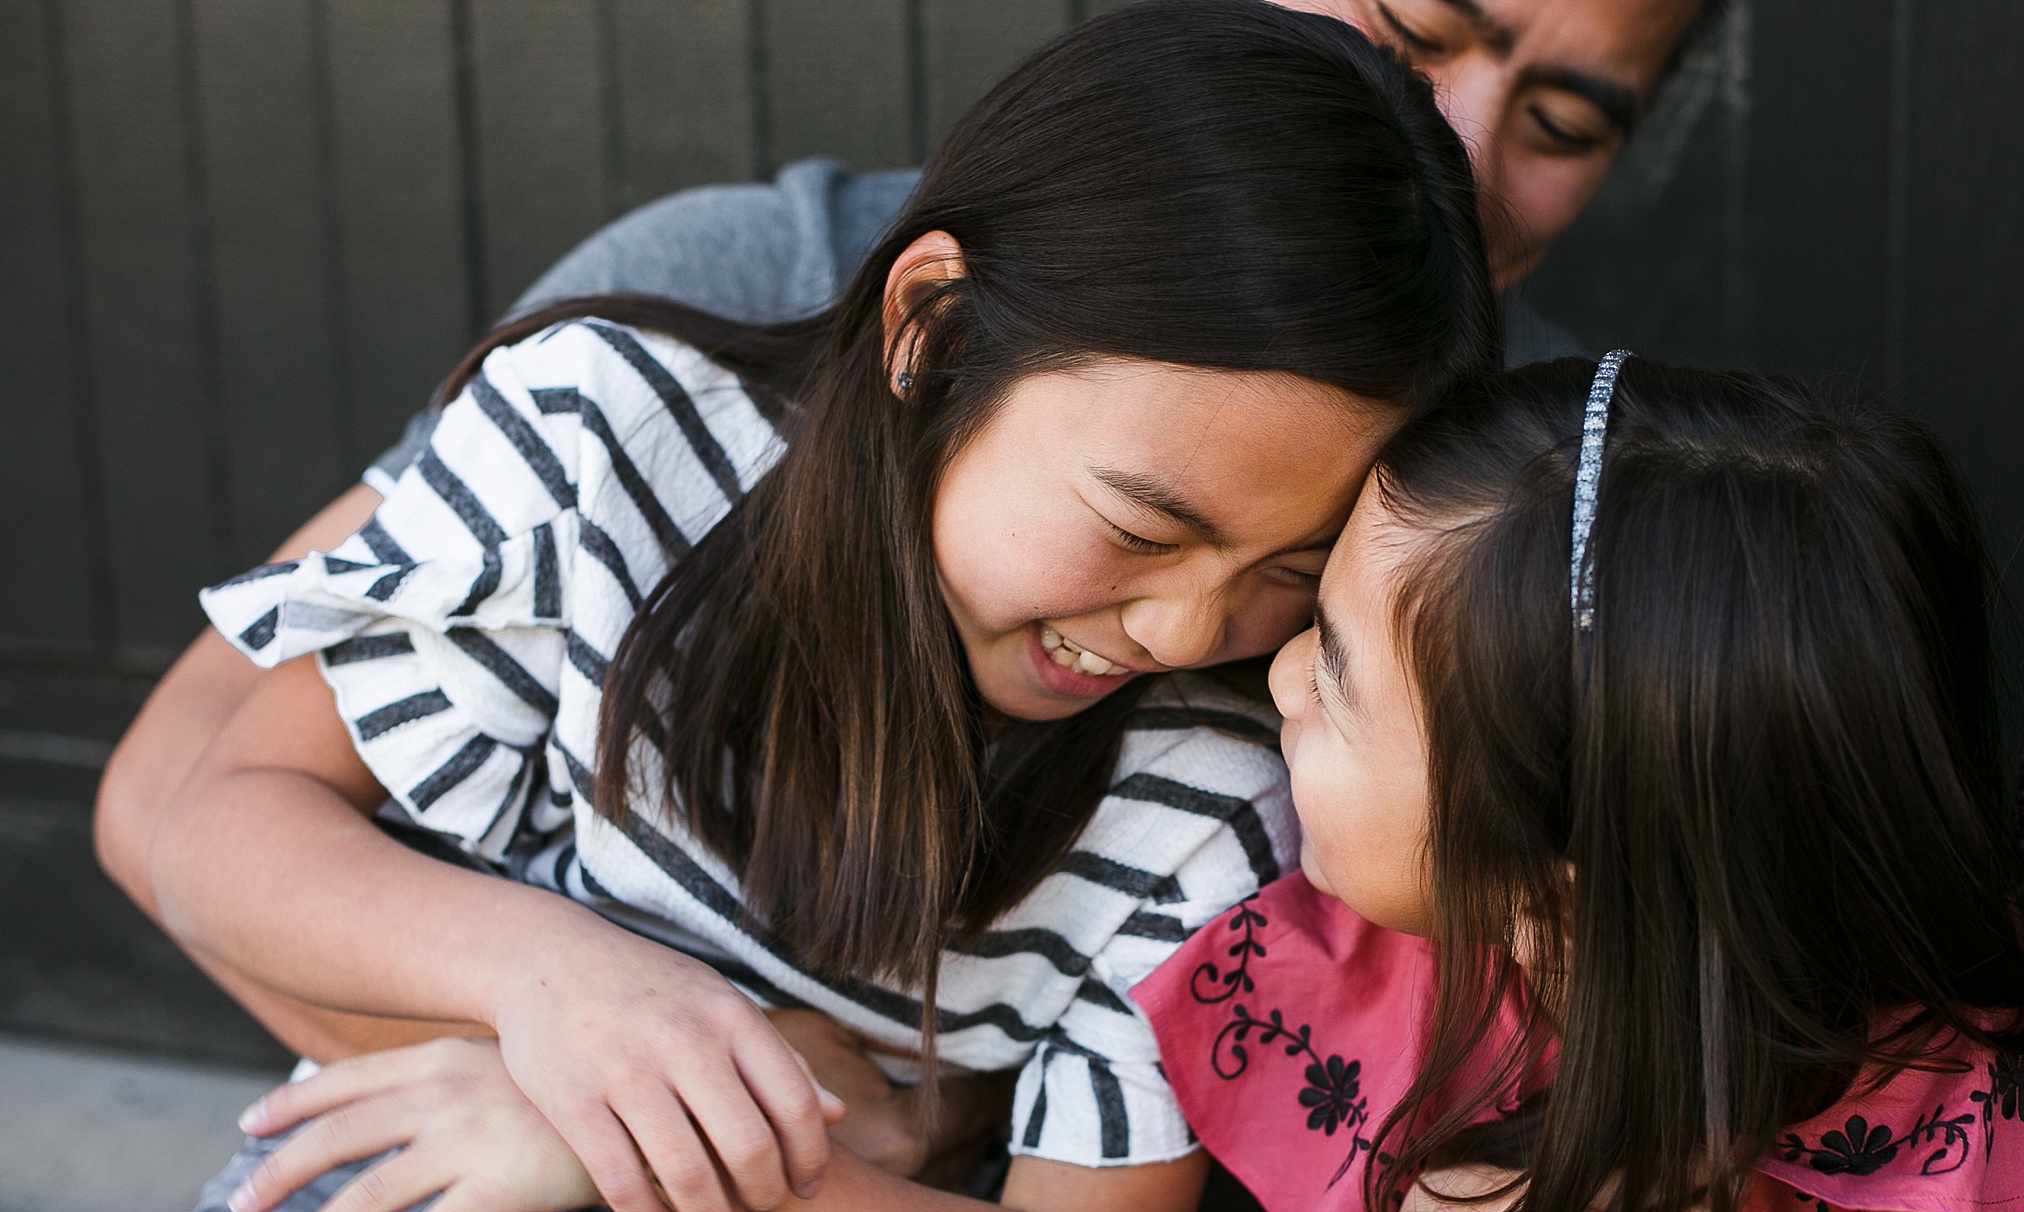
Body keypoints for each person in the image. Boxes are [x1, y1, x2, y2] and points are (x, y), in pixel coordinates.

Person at [108, 5, 1498, 1212]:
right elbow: (220, 828)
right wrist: (558, 986)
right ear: (934, 328)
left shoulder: (1216, 794)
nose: (1191, 627)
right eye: (1143, 528)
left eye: (1289, 570)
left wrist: (667, 1158)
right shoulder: (612, 435)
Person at [92, 0, 1709, 1064]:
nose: (1462, 141)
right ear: (921, 327)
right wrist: (635, 1093)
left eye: (1565, 122)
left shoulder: (1520, 507)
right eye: (1417, 25)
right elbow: (175, 791)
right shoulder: (711, 321)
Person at [1006, 355, 2024, 1212]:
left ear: (1552, 896)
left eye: (1333, 678)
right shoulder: (1387, 945)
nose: (1274, 679)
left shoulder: (1940, 1102)